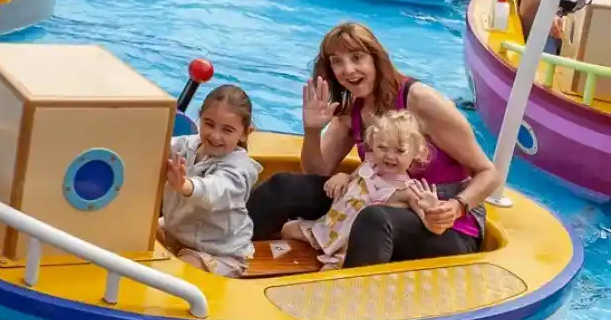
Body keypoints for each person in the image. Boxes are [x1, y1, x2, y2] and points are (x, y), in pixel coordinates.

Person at [247, 23, 496, 267]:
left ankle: (345, 299)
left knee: (373, 220)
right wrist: (312, 130)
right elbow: (316, 173)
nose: (348, 69)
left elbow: (488, 172)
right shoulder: (353, 107)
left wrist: (456, 207)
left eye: (357, 57)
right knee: (283, 186)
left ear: (376, 59)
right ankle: (233, 254)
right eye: (337, 61)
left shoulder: (421, 100)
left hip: (444, 225)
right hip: (370, 201)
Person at [281, 110, 430, 270]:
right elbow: (352, 179)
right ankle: (282, 265)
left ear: (417, 153)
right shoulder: (369, 165)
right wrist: (342, 176)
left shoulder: (407, 190)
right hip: (328, 230)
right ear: (372, 143)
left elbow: (429, 223)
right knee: (287, 229)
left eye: (400, 151)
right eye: (382, 147)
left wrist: (430, 207)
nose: (390, 156)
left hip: (348, 248)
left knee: (327, 273)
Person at [159, 85, 260, 277]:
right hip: (180, 233)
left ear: (245, 133)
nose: (215, 135)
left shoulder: (239, 170)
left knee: (182, 270)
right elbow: (159, 146)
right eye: (209, 124)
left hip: (220, 254)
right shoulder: (189, 145)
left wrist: (185, 186)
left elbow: (215, 191)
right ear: (200, 118)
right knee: (146, 230)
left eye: (227, 130)